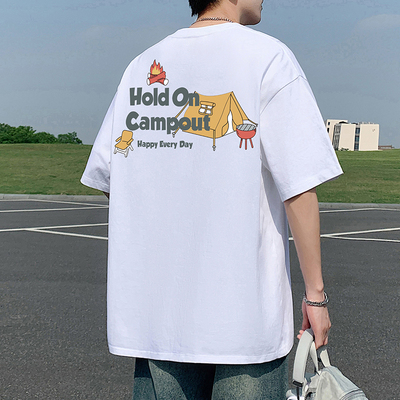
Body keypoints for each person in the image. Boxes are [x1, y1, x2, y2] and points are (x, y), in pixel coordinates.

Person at [81, 0, 343, 398]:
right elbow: (300, 187)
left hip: (158, 317)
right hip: (242, 319)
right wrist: (316, 298)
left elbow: (110, 176)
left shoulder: (141, 66)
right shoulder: (267, 57)